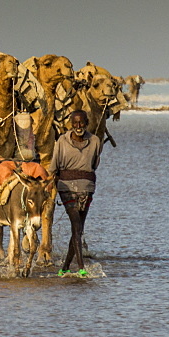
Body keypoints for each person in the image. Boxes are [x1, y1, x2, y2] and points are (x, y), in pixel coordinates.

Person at [50, 110, 102, 277]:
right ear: (70, 124)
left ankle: (65, 267)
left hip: (87, 188)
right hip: (66, 187)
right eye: (75, 123)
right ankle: (81, 268)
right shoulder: (61, 142)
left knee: (78, 229)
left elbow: (94, 164)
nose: (78, 126)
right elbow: (54, 167)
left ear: (87, 123)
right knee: (76, 225)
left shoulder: (95, 141)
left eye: (81, 123)